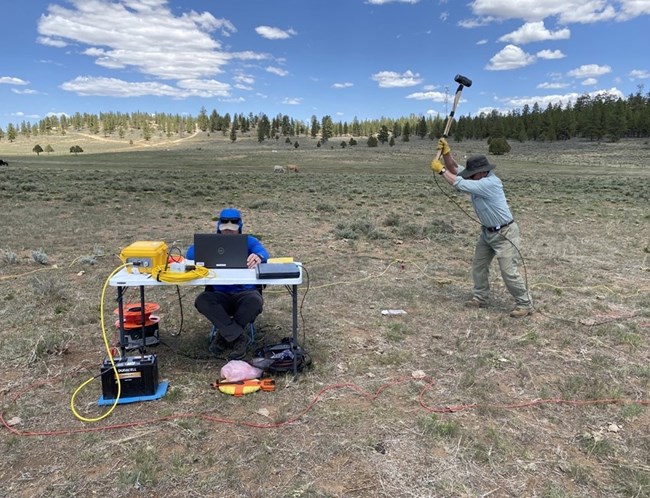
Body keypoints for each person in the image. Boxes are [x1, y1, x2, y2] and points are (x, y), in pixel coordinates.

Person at [431, 138, 533, 318]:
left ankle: (525, 304)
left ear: (482, 172)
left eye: (472, 174)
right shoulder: (477, 177)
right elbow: (456, 170)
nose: (469, 175)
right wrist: (446, 153)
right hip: (487, 232)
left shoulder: (490, 183)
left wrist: (441, 170)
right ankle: (480, 297)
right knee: (479, 266)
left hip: (505, 233)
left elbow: (458, 181)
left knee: (508, 271)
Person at [186, 208, 269, 358]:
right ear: (219, 225)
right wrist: (208, 247)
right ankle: (239, 337)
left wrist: (258, 256)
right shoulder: (209, 242)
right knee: (202, 300)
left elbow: (263, 252)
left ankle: (223, 336)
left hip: (245, 292)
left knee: (255, 300)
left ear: (240, 225)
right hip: (218, 294)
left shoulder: (248, 241)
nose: (228, 230)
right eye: (225, 225)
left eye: (233, 226)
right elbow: (189, 254)